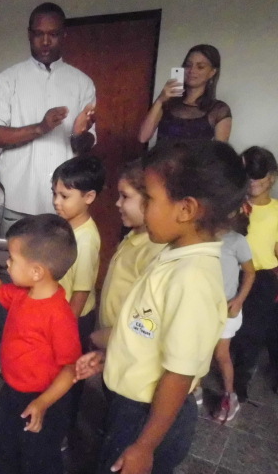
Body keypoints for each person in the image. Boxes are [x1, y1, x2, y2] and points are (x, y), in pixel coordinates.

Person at [76, 140, 248, 474]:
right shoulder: (173, 254)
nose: (146, 207)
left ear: (186, 209)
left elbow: (179, 374)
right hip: (133, 404)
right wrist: (119, 354)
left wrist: (144, 446)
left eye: (151, 199)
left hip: (148, 417)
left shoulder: (192, 278)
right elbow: (150, 329)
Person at [0, 214, 81, 474]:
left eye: (12, 259)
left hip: (44, 398)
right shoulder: (24, 294)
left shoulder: (59, 315)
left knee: (39, 457)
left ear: (37, 272)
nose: (7, 263)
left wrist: (42, 403)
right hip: (14, 389)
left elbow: (70, 370)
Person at [0, 2, 96, 236]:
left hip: (62, 204)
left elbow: (82, 146)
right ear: (29, 34)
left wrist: (79, 134)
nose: (45, 41)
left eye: (53, 34)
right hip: (16, 198)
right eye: (39, 34)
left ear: (64, 35)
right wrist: (41, 127)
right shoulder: (8, 79)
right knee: (10, 267)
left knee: (55, 271)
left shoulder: (82, 83)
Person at [231, 146, 278, 399]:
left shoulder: (276, 211)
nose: (252, 180)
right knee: (226, 326)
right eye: (247, 173)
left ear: (271, 176)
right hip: (232, 273)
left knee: (252, 333)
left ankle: (241, 381)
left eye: (258, 175)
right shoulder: (234, 204)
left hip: (262, 278)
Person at [97, 160, 166, 331]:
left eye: (125, 196)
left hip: (122, 343)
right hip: (107, 338)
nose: (117, 203)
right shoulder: (133, 235)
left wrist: (111, 338)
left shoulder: (154, 250)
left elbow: (147, 321)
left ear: (150, 200)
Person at [52, 155, 105, 348]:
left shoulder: (86, 239)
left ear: (89, 197)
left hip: (75, 318)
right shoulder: (66, 226)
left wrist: (65, 329)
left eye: (64, 196)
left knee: (71, 372)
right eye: (54, 194)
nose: (57, 202)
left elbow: (81, 293)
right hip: (59, 313)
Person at [208, 212, 255, 422]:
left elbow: (250, 272)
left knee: (220, 354)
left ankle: (230, 395)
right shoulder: (203, 235)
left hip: (227, 308)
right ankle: (193, 389)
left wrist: (239, 300)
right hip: (204, 306)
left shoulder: (236, 240)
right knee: (199, 349)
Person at [138, 44, 232, 143]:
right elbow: (143, 138)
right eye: (188, 65)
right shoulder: (168, 102)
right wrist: (160, 100)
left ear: (212, 72)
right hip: (160, 158)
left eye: (200, 67)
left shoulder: (218, 110)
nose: (192, 70)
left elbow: (219, 154)